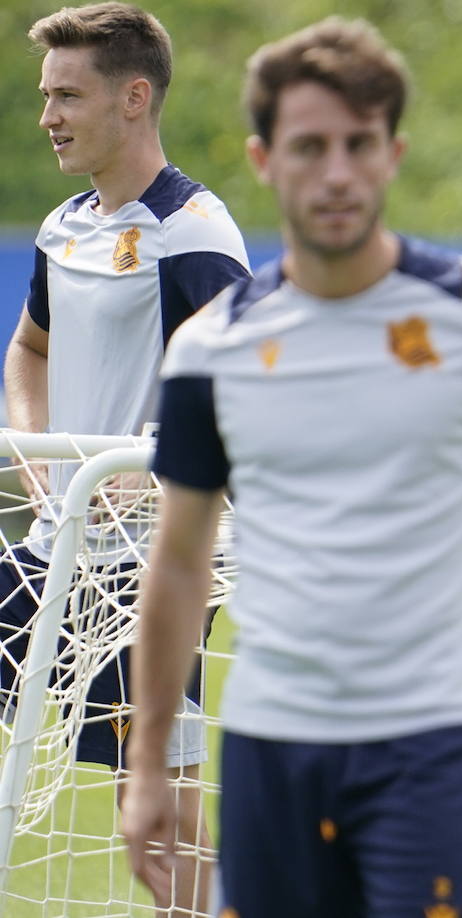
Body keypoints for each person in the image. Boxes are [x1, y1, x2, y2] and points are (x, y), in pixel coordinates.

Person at [117, 17, 462, 917]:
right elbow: (175, 562)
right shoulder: (211, 349)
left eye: (359, 145)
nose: (337, 172)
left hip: (427, 741)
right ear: (262, 159)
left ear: (394, 153)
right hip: (267, 743)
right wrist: (147, 763)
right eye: (309, 146)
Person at [2, 3, 250, 912]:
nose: (49, 117)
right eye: (45, 96)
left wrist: (154, 468)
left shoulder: (193, 234)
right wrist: (35, 456)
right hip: (52, 554)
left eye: (67, 95)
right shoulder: (63, 227)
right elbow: (28, 351)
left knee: (157, 828)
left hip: (152, 575)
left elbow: (246, 388)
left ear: (134, 97)